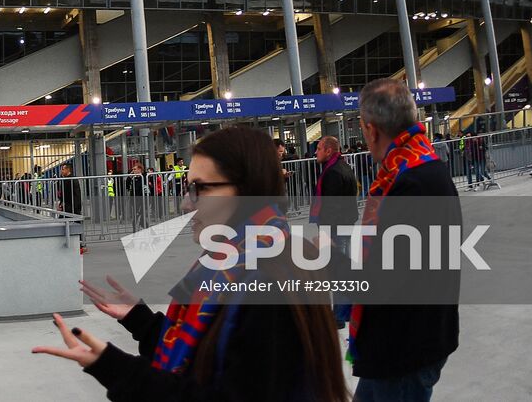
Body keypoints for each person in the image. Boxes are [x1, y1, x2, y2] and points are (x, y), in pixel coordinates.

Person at [34, 125, 351, 401]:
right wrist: (139, 319)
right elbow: (203, 349)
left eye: (200, 189)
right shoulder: (230, 261)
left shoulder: (268, 280)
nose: (186, 203)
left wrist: (114, 367)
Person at [350, 78, 460, 400]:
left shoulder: (410, 182)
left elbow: (387, 280)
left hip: (403, 349)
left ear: (370, 130)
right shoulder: (422, 167)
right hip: (407, 341)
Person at [310, 135, 359, 330]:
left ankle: (339, 314)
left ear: (328, 150)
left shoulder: (332, 173)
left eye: (319, 148)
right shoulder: (344, 167)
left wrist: (326, 234)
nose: (316, 152)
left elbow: (332, 207)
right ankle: (344, 309)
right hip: (346, 224)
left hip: (336, 228)